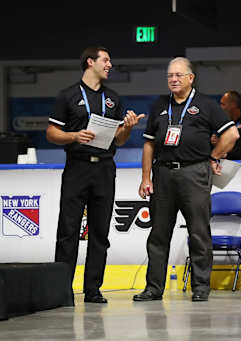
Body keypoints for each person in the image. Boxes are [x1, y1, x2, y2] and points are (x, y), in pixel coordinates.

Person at [133, 57, 239, 303]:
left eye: (179, 75)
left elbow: (232, 134)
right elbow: (149, 143)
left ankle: (200, 287)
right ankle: (153, 288)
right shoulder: (159, 105)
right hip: (163, 175)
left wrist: (213, 157)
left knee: (199, 233)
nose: (173, 79)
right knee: (158, 234)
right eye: (170, 75)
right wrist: (145, 177)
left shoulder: (206, 104)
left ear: (191, 78)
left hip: (195, 173)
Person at [46, 46, 144, 304]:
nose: (110, 65)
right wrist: (73, 135)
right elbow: (51, 133)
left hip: (104, 168)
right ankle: (61, 290)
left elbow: (119, 140)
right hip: (77, 167)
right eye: (106, 60)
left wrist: (128, 129)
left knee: (100, 232)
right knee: (68, 231)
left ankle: (93, 290)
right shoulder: (67, 95)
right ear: (90, 62)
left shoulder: (112, 98)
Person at [211, 90, 241, 160]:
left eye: (223, 104)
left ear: (233, 105)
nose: (220, 108)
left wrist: (222, 149)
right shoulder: (220, 125)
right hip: (221, 166)